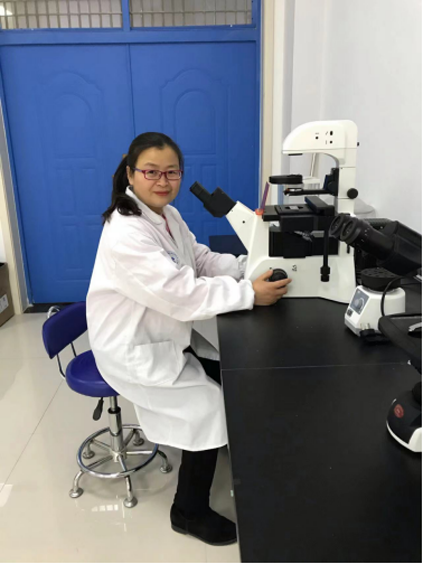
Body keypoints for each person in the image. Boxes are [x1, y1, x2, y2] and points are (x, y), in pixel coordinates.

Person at [86, 132, 291, 546]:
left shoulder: (165, 214)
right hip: (132, 349)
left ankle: (226, 449)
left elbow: (197, 258)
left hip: (162, 335)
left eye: (172, 172)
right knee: (209, 409)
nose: (162, 181)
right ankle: (188, 512)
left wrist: (245, 266)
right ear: (131, 174)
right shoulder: (127, 233)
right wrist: (249, 294)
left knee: (230, 369)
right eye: (151, 172)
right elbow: (181, 293)